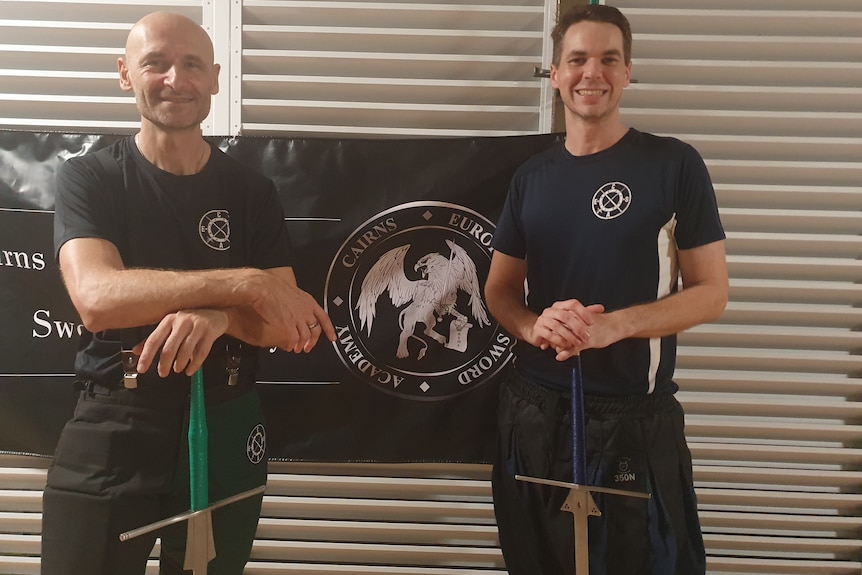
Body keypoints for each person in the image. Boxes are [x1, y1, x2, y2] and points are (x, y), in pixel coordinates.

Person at [41, 11, 336, 575]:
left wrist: (218, 318)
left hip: (225, 423)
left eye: (192, 64)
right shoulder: (91, 178)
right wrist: (243, 285)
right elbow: (97, 297)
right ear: (125, 74)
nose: (176, 78)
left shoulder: (251, 192)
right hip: (115, 422)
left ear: (215, 78)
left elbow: (288, 323)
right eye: (156, 62)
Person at [484, 5, 728, 575]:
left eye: (608, 59)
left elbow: (712, 292)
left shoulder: (674, 165)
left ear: (627, 71)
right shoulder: (531, 178)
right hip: (534, 414)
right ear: (554, 73)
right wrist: (531, 325)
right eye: (577, 59)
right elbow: (499, 291)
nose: (591, 72)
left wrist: (614, 326)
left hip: (632, 420)